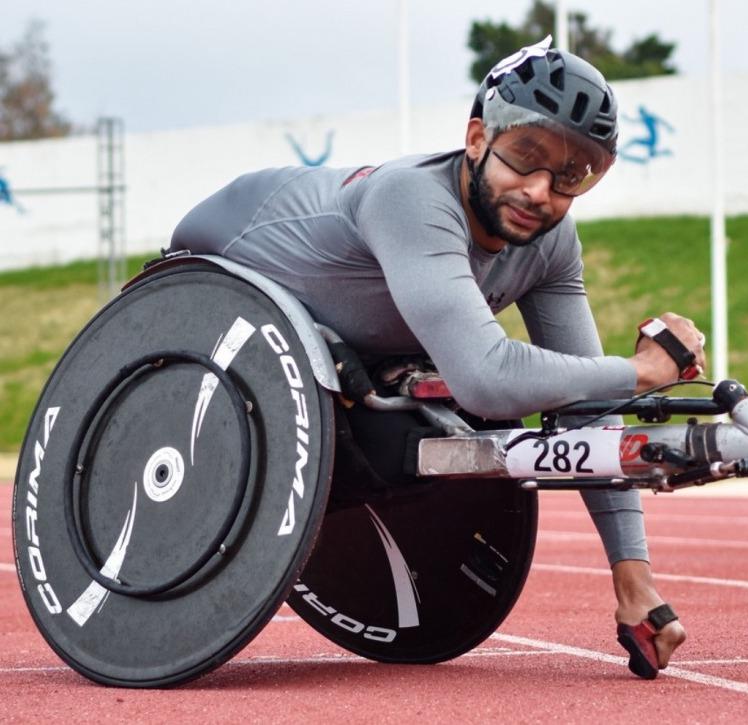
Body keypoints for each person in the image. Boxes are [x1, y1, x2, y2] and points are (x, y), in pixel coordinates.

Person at [169, 37, 704, 680]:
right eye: (526, 159)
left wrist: (633, 579)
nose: (540, 192)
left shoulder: (552, 242)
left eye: (571, 176)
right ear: (477, 138)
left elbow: (588, 409)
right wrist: (642, 371)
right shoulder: (413, 201)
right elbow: (486, 378)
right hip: (214, 258)